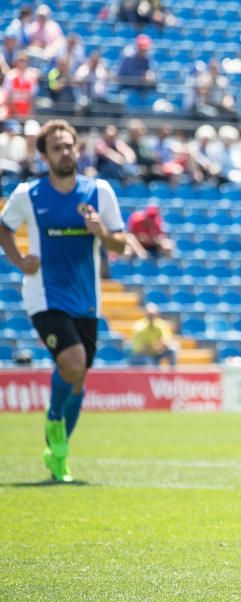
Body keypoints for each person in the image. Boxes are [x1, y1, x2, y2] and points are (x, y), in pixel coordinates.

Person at [0, 119, 127, 482]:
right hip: (44, 295)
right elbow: (4, 227)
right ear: (44, 156)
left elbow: (120, 243)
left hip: (86, 299)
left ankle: (59, 451)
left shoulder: (99, 191)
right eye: (57, 147)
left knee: (78, 378)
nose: (65, 151)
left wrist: (101, 231)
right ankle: (54, 419)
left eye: (69, 145)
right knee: (73, 362)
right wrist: (20, 260)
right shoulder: (29, 195)